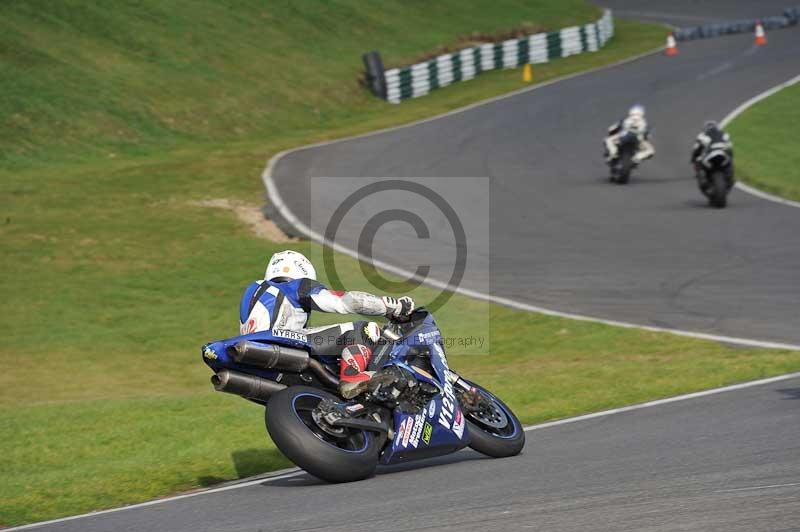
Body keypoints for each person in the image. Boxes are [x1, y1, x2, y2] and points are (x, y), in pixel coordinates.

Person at [239, 250, 415, 399]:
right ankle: (353, 377)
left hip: (252, 357)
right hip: (279, 342)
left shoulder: (254, 291)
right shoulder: (294, 286)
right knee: (364, 329)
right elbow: (349, 301)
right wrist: (391, 306)